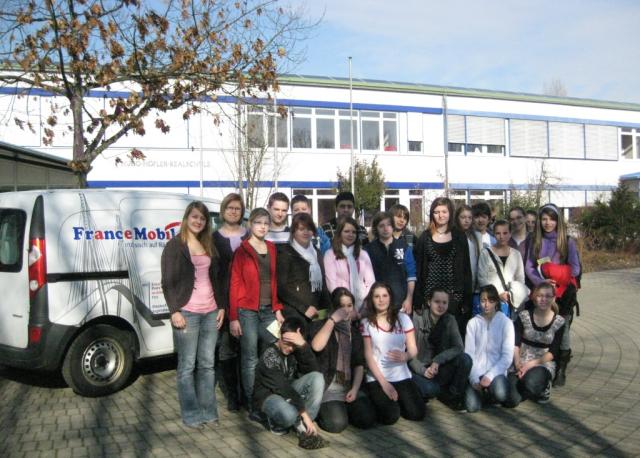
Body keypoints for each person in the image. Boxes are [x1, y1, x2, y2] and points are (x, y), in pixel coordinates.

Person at [161, 201, 225, 429]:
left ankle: (208, 412)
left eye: (203, 218)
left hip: (210, 311)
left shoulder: (208, 244)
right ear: (187, 217)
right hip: (187, 312)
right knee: (187, 366)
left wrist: (221, 306)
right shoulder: (175, 246)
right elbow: (167, 281)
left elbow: (216, 278)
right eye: (195, 216)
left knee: (207, 365)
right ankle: (191, 415)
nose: (198, 221)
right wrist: (174, 311)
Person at [229, 208, 285, 420]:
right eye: (258, 222)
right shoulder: (242, 250)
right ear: (250, 224)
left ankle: (269, 396)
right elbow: (234, 284)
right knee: (250, 358)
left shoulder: (271, 248)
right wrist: (234, 317)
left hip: (269, 310)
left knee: (272, 350)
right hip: (247, 311)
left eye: (266, 223)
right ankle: (253, 404)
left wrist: (277, 308)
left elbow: (274, 281)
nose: (262, 226)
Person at [525, 203, 580, 387]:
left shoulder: (567, 241)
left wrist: (556, 275)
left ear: (558, 221)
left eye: (552, 219)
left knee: (562, 329)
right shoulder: (535, 240)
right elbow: (529, 267)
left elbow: (575, 268)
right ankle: (544, 362)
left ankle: (562, 366)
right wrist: (540, 281)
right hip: (541, 292)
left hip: (562, 293)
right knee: (543, 328)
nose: (548, 223)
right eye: (544, 219)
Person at [253, 316, 328, 449]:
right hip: (268, 395)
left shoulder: (295, 349)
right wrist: (304, 414)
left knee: (318, 378)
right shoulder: (269, 355)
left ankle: (304, 427)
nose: (290, 348)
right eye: (287, 343)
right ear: (280, 335)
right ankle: (276, 419)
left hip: (288, 390)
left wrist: (303, 345)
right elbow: (283, 388)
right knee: (289, 415)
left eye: (294, 345)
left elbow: (313, 371)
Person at [310, 288, 376, 432]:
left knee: (367, 419)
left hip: (348, 386)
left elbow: (359, 364)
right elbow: (316, 346)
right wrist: (332, 320)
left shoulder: (354, 332)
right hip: (329, 387)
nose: (345, 310)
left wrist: (355, 389)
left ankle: (343, 409)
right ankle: (327, 411)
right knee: (336, 424)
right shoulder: (323, 325)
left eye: (349, 305)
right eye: (341, 306)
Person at [361, 282, 426, 424]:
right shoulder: (366, 323)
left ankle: (400, 401)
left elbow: (413, 349)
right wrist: (385, 384)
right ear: (372, 299)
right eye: (377, 296)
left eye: (385, 296)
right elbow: (368, 356)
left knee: (417, 413)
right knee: (390, 417)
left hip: (401, 375)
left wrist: (406, 355)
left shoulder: (403, 319)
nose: (381, 300)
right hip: (378, 377)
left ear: (390, 297)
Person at [414, 197, 472, 337]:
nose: (441, 215)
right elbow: (419, 270)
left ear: (450, 213)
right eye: (436, 212)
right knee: (430, 338)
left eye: (444, 212)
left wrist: (466, 299)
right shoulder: (425, 237)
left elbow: (466, 269)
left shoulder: (459, 236)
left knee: (452, 337)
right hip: (430, 298)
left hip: (454, 298)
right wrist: (418, 299)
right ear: (432, 214)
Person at [212, 193, 247, 412]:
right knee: (227, 350)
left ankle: (247, 394)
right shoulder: (214, 239)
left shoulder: (250, 235)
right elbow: (212, 274)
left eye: (237, 208)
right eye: (230, 208)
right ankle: (232, 395)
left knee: (248, 350)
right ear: (223, 211)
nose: (233, 211)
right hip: (225, 302)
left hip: (248, 301)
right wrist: (220, 304)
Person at [410, 288, 471, 411]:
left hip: (438, 368)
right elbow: (410, 355)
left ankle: (452, 396)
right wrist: (423, 371)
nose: (441, 306)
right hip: (419, 368)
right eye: (437, 302)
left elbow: (459, 347)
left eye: (444, 303)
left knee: (465, 359)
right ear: (429, 302)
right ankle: (429, 391)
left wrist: (438, 360)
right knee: (431, 389)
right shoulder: (417, 319)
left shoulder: (450, 319)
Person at [464, 285, 517, 412]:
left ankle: (490, 393)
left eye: (491, 301)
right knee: (472, 407)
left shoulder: (506, 323)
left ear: (496, 302)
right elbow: (469, 354)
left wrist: (489, 376)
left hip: (496, 373)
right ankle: (482, 394)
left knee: (501, 393)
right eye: (483, 300)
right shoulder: (473, 323)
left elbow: (507, 357)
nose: (486, 305)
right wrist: (474, 378)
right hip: (477, 372)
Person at [511, 282, 565, 404]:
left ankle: (544, 386)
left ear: (554, 298)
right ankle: (524, 387)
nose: (543, 299)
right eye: (540, 295)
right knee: (511, 400)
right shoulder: (523, 316)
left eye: (548, 296)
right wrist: (517, 362)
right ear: (535, 297)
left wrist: (530, 365)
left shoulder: (559, 322)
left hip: (542, 362)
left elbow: (553, 352)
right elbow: (516, 343)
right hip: (521, 360)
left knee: (531, 383)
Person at [277, 213, 330, 326]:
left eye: (309, 229)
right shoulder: (285, 253)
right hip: (294, 313)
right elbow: (281, 289)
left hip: (316, 313)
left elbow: (323, 286)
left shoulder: (316, 253)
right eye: (301, 229)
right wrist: (304, 308)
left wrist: (329, 310)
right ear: (293, 231)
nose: (306, 232)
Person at [365, 211, 416, 314]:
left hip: (401, 303)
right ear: (376, 228)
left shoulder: (404, 247)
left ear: (393, 227)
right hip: (378, 304)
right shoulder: (368, 250)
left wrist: (409, 299)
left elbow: (411, 275)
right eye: (381, 226)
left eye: (388, 225)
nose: (386, 228)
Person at [476, 219, 529, 317]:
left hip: (510, 301)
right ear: (494, 234)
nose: (501, 237)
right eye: (498, 233)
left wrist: (511, 295)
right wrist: (498, 294)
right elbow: (482, 278)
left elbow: (520, 278)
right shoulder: (485, 253)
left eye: (505, 233)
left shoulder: (516, 254)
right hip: (491, 301)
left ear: (510, 234)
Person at [323, 216, 375, 314]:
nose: (350, 234)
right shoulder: (330, 254)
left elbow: (371, 282)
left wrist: (364, 306)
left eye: (354, 232)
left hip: (363, 306)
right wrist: (348, 306)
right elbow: (332, 284)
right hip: (340, 306)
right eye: (346, 231)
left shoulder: (363, 254)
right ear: (339, 233)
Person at [455, 204, 481, 306]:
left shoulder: (476, 236)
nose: (466, 221)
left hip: (474, 282)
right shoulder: (454, 235)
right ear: (457, 218)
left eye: (469, 218)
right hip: (459, 283)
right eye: (463, 217)